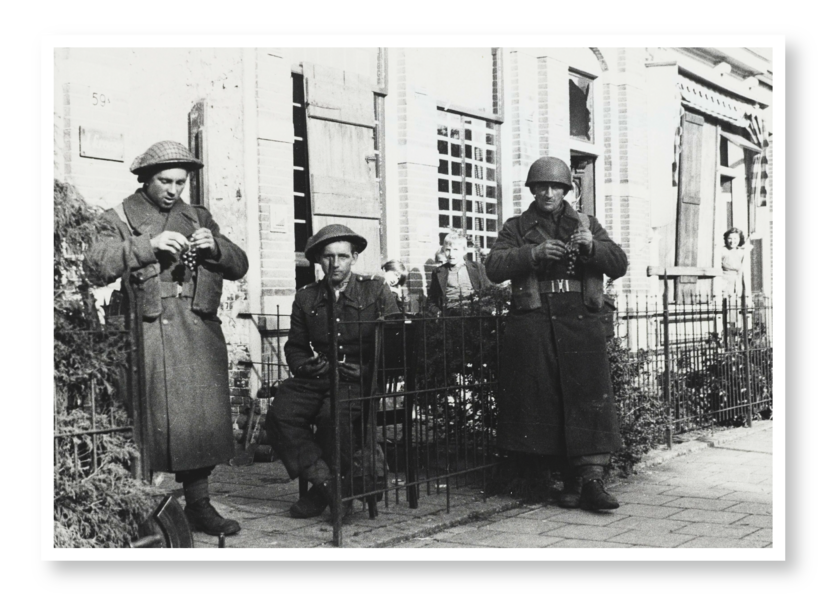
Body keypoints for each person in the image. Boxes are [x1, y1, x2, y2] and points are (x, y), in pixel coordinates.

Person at [85, 141, 249, 535]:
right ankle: (139, 508)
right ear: (145, 179)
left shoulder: (198, 216)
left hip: (197, 329)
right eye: (164, 181)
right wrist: (147, 246)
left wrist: (216, 247)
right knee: (146, 424)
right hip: (147, 333)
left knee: (199, 423)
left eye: (180, 182)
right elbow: (95, 265)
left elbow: (239, 265)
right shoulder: (118, 216)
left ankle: (199, 505)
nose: (173, 190)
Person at [484, 156, 628, 511]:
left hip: (580, 323)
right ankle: (563, 480)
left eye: (555, 187)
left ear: (566, 190)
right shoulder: (516, 227)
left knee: (587, 398)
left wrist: (592, 247)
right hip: (535, 323)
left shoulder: (587, 223)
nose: (548, 193)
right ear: (533, 190)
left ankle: (591, 480)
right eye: (542, 187)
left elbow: (619, 263)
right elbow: (494, 267)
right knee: (544, 400)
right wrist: (532, 253)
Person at [265, 225, 400, 519]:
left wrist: (367, 371)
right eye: (328, 257)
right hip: (320, 374)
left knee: (332, 418)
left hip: (358, 379)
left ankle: (324, 493)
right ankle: (329, 486)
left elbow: (396, 346)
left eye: (342, 256)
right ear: (319, 260)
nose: (335, 263)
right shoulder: (306, 297)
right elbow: (296, 346)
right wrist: (304, 364)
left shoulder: (376, 290)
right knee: (280, 413)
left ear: (354, 258)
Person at [426, 232, 491, 315]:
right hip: (450, 315)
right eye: (448, 250)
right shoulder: (439, 272)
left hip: (474, 314)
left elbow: (489, 293)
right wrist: (439, 313)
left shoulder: (478, 268)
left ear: (464, 251)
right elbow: (432, 300)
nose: (451, 254)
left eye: (455, 249)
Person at [719, 227, 752, 300]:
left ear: (739, 239)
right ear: (726, 239)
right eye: (730, 238)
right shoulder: (722, 251)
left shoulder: (741, 252)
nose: (732, 241)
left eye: (735, 238)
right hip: (724, 283)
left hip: (737, 283)